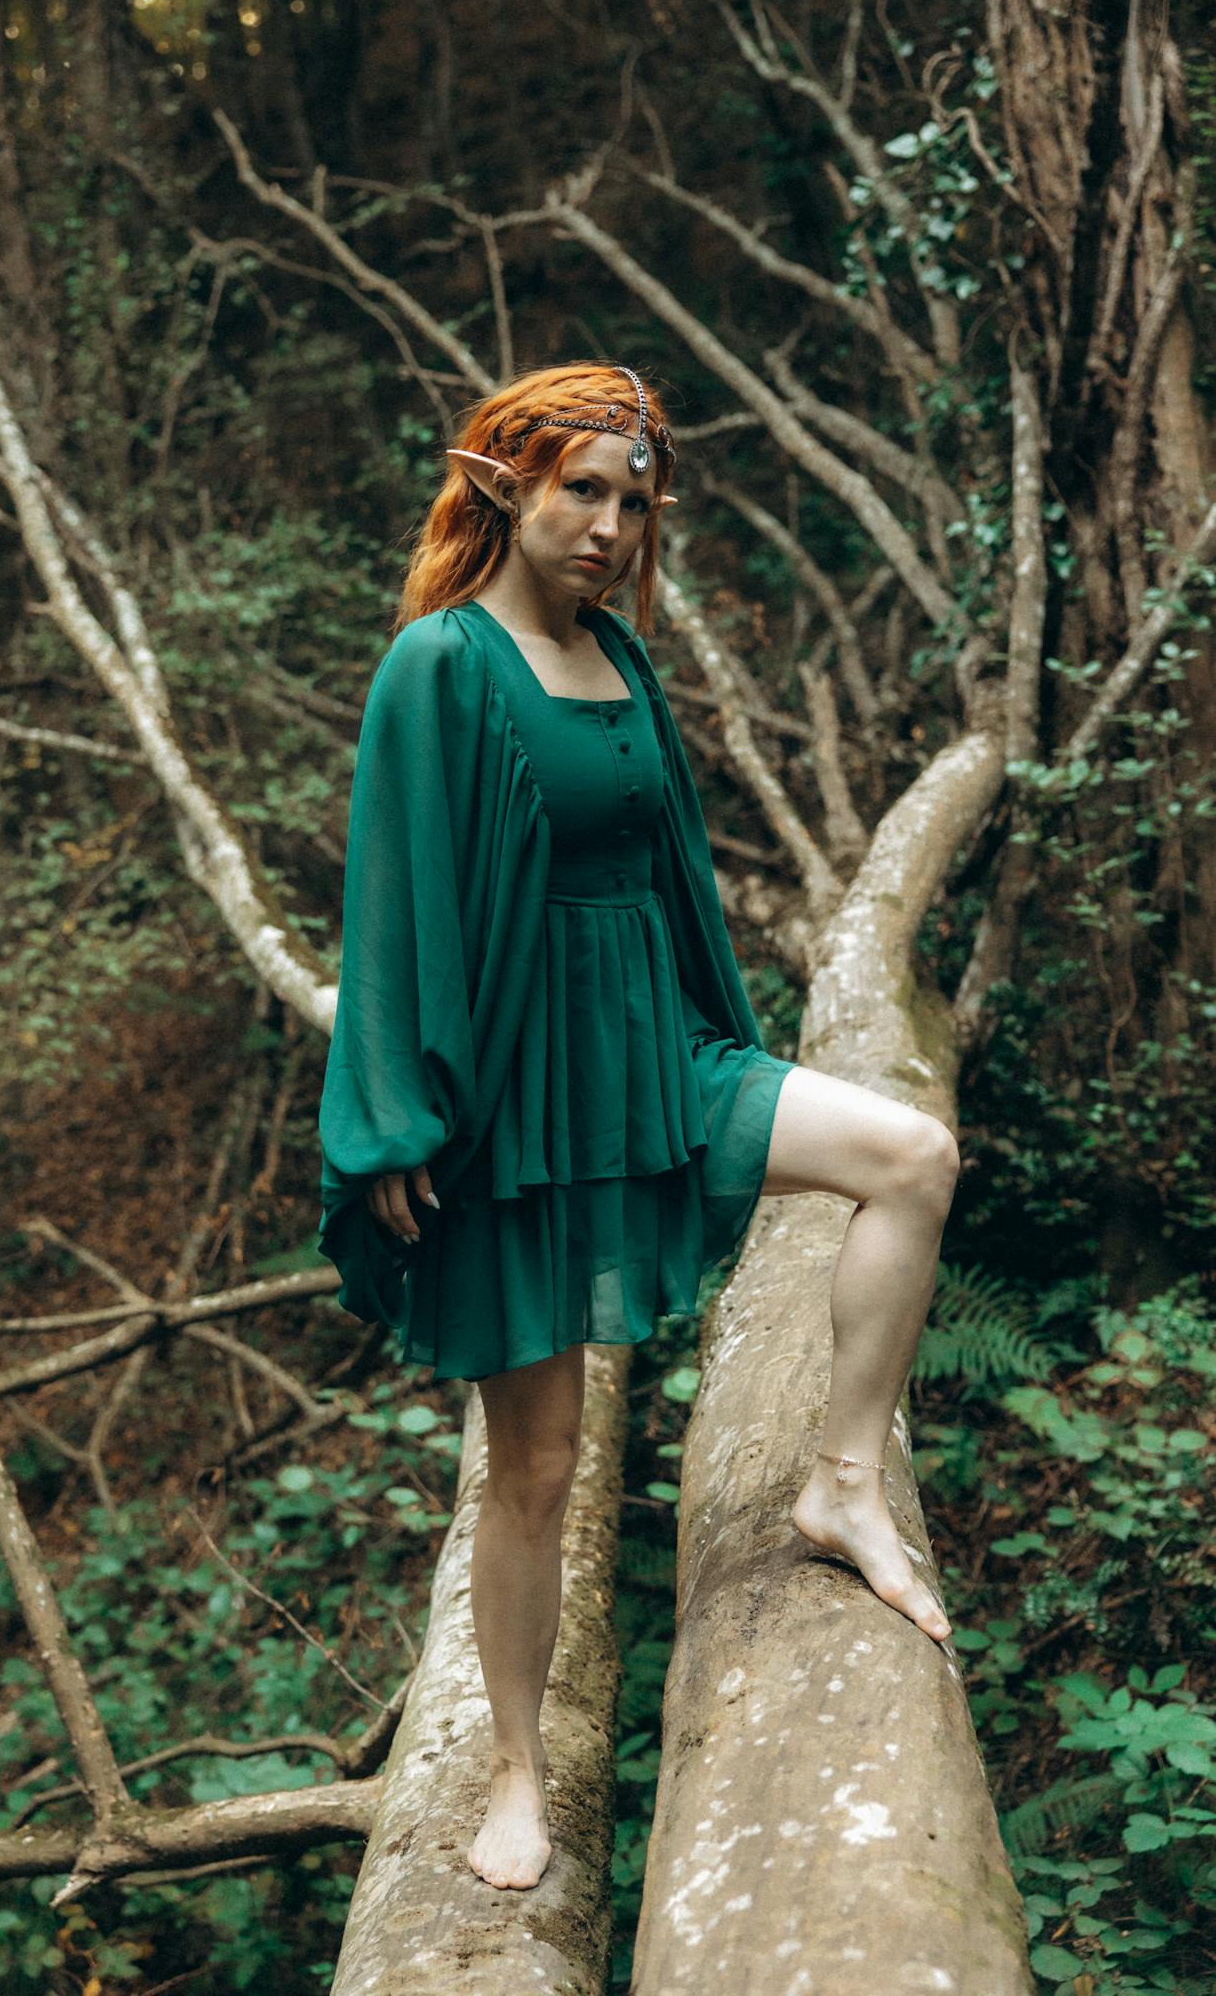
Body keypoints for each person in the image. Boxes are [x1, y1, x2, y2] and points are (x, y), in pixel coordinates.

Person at [317, 361, 958, 1892]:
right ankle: (520, 1774)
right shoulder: (439, 663)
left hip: (655, 1054)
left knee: (910, 1158)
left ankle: (839, 1485)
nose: (606, 524)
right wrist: (395, 1119)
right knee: (534, 1464)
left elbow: (668, 877)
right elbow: (391, 894)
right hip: (507, 1095)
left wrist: (722, 1058)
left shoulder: (619, 658)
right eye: (578, 490)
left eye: (628, 497)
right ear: (504, 490)